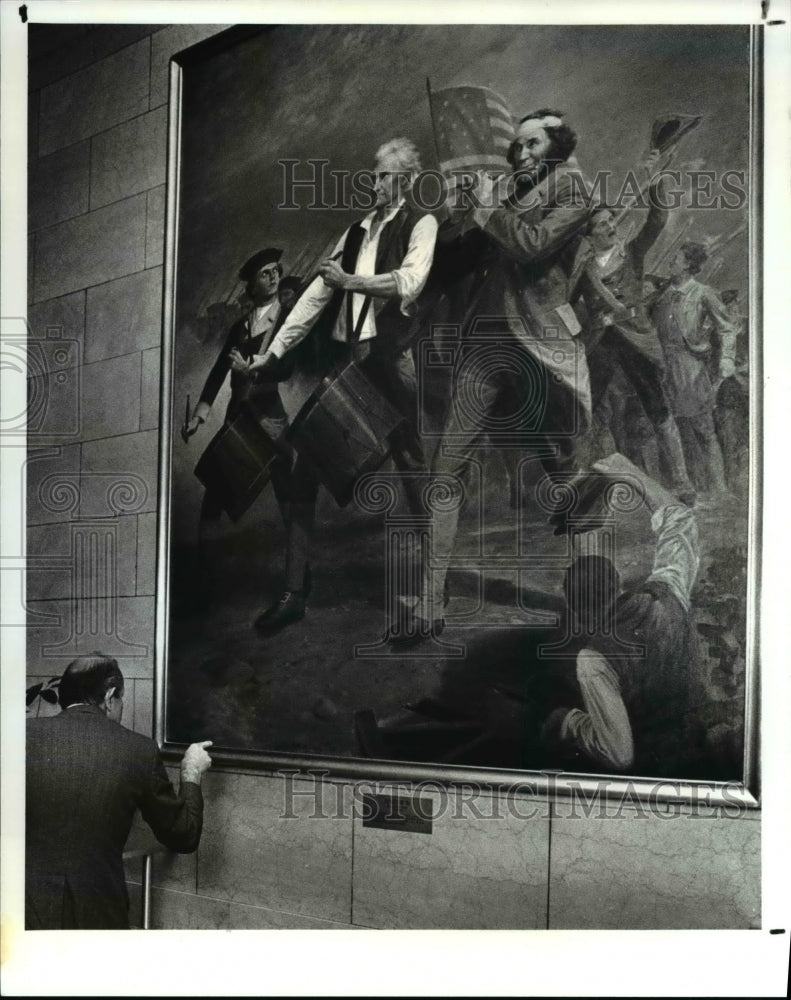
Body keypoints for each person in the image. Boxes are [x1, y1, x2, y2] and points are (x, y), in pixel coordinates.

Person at [390, 108, 593, 643]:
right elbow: (457, 262)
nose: (521, 155)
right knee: (445, 469)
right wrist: (460, 217)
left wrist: (485, 209)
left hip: (540, 349)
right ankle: (432, 603)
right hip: (484, 347)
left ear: (557, 148)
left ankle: (590, 604)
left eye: (533, 146)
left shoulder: (576, 191)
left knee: (567, 474)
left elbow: (530, 245)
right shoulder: (504, 198)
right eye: (517, 147)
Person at [236, 137, 439, 635]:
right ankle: (293, 592)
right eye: (373, 174)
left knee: (414, 473)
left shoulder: (422, 223)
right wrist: (273, 352)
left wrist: (349, 282)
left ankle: (435, 593)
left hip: (393, 362)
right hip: (355, 365)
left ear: (407, 181)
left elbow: (409, 282)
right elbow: (311, 299)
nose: (374, 182)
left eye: (385, 175)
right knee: (306, 463)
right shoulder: (354, 232)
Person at [541, 454, 705, 777]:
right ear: (617, 585)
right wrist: (629, 473)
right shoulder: (665, 592)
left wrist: (570, 723)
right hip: (692, 722)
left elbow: (619, 755)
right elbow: (681, 520)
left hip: (663, 758)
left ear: (578, 615)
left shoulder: (593, 660)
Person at [26, 654, 212, 929]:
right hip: (95, 912)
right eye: (121, 699)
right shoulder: (138, 750)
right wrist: (191, 773)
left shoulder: (17, 735)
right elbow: (183, 835)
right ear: (110, 696)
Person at [183, 248, 306, 606]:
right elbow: (219, 371)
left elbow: (286, 369)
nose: (273, 275)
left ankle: (299, 578)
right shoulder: (240, 326)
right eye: (264, 272)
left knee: (288, 494)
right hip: (238, 416)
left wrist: (250, 366)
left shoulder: (286, 319)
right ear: (251, 284)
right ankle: (205, 579)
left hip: (269, 417)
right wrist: (200, 414)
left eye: (276, 270)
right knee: (215, 494)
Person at [571, 150, 695, 504]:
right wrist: (579, 331)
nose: (610, 227)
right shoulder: (581, 269)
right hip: (600, 345)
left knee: (658, 409)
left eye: (612, 221)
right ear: (590, 234)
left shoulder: (633, 254)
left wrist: (656, 178)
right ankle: (597, 482)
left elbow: (656, 220)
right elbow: (565, 305)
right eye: (602, 224)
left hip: (636, 341)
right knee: (588, 412)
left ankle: (683, 483)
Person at [649, 242, 739, 501]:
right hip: (663, 367)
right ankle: (684, 488)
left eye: (675, 259)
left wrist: (728, 358)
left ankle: (719, 489)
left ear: (688, 264)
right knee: (670, 428)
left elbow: (726, 327)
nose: (670, 263)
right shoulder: (662, 295)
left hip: (690, 367)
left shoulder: (703, 293)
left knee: (703, 428)